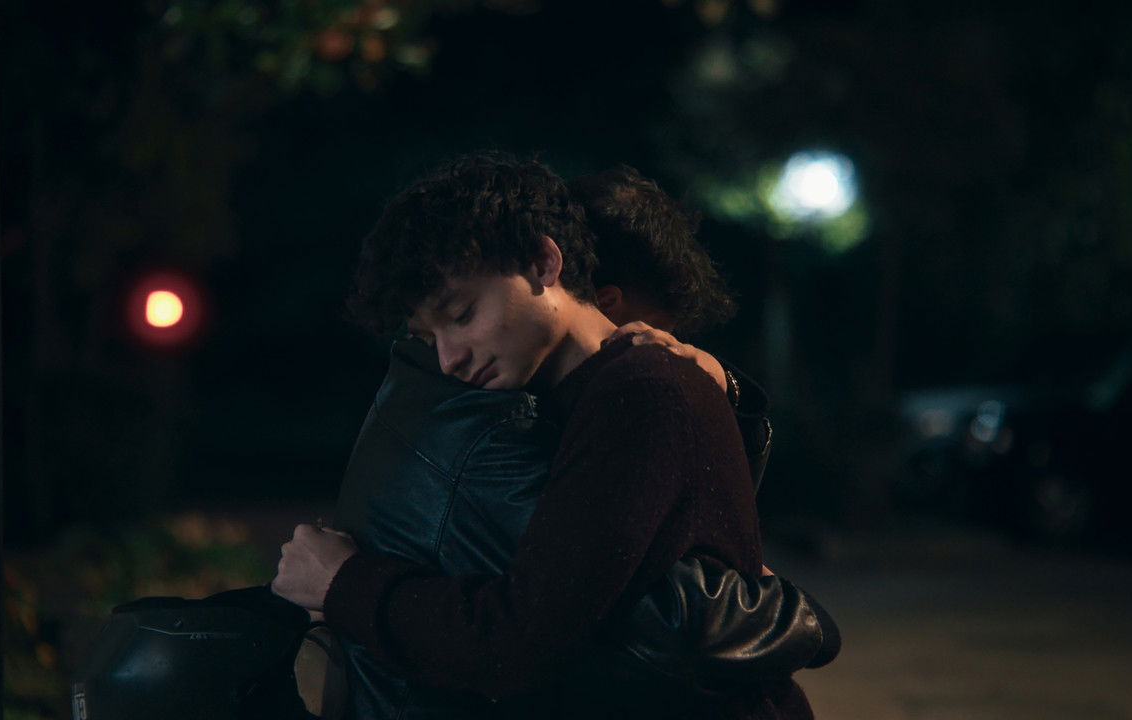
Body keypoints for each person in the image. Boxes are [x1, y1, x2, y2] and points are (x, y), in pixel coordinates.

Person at [273, 154, 832, 718]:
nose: (448, 358)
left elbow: (522, 640)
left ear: (544, 262)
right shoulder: (579, 397)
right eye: (428, 336)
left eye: (462, 315)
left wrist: (345, 583)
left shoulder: (641, 389)